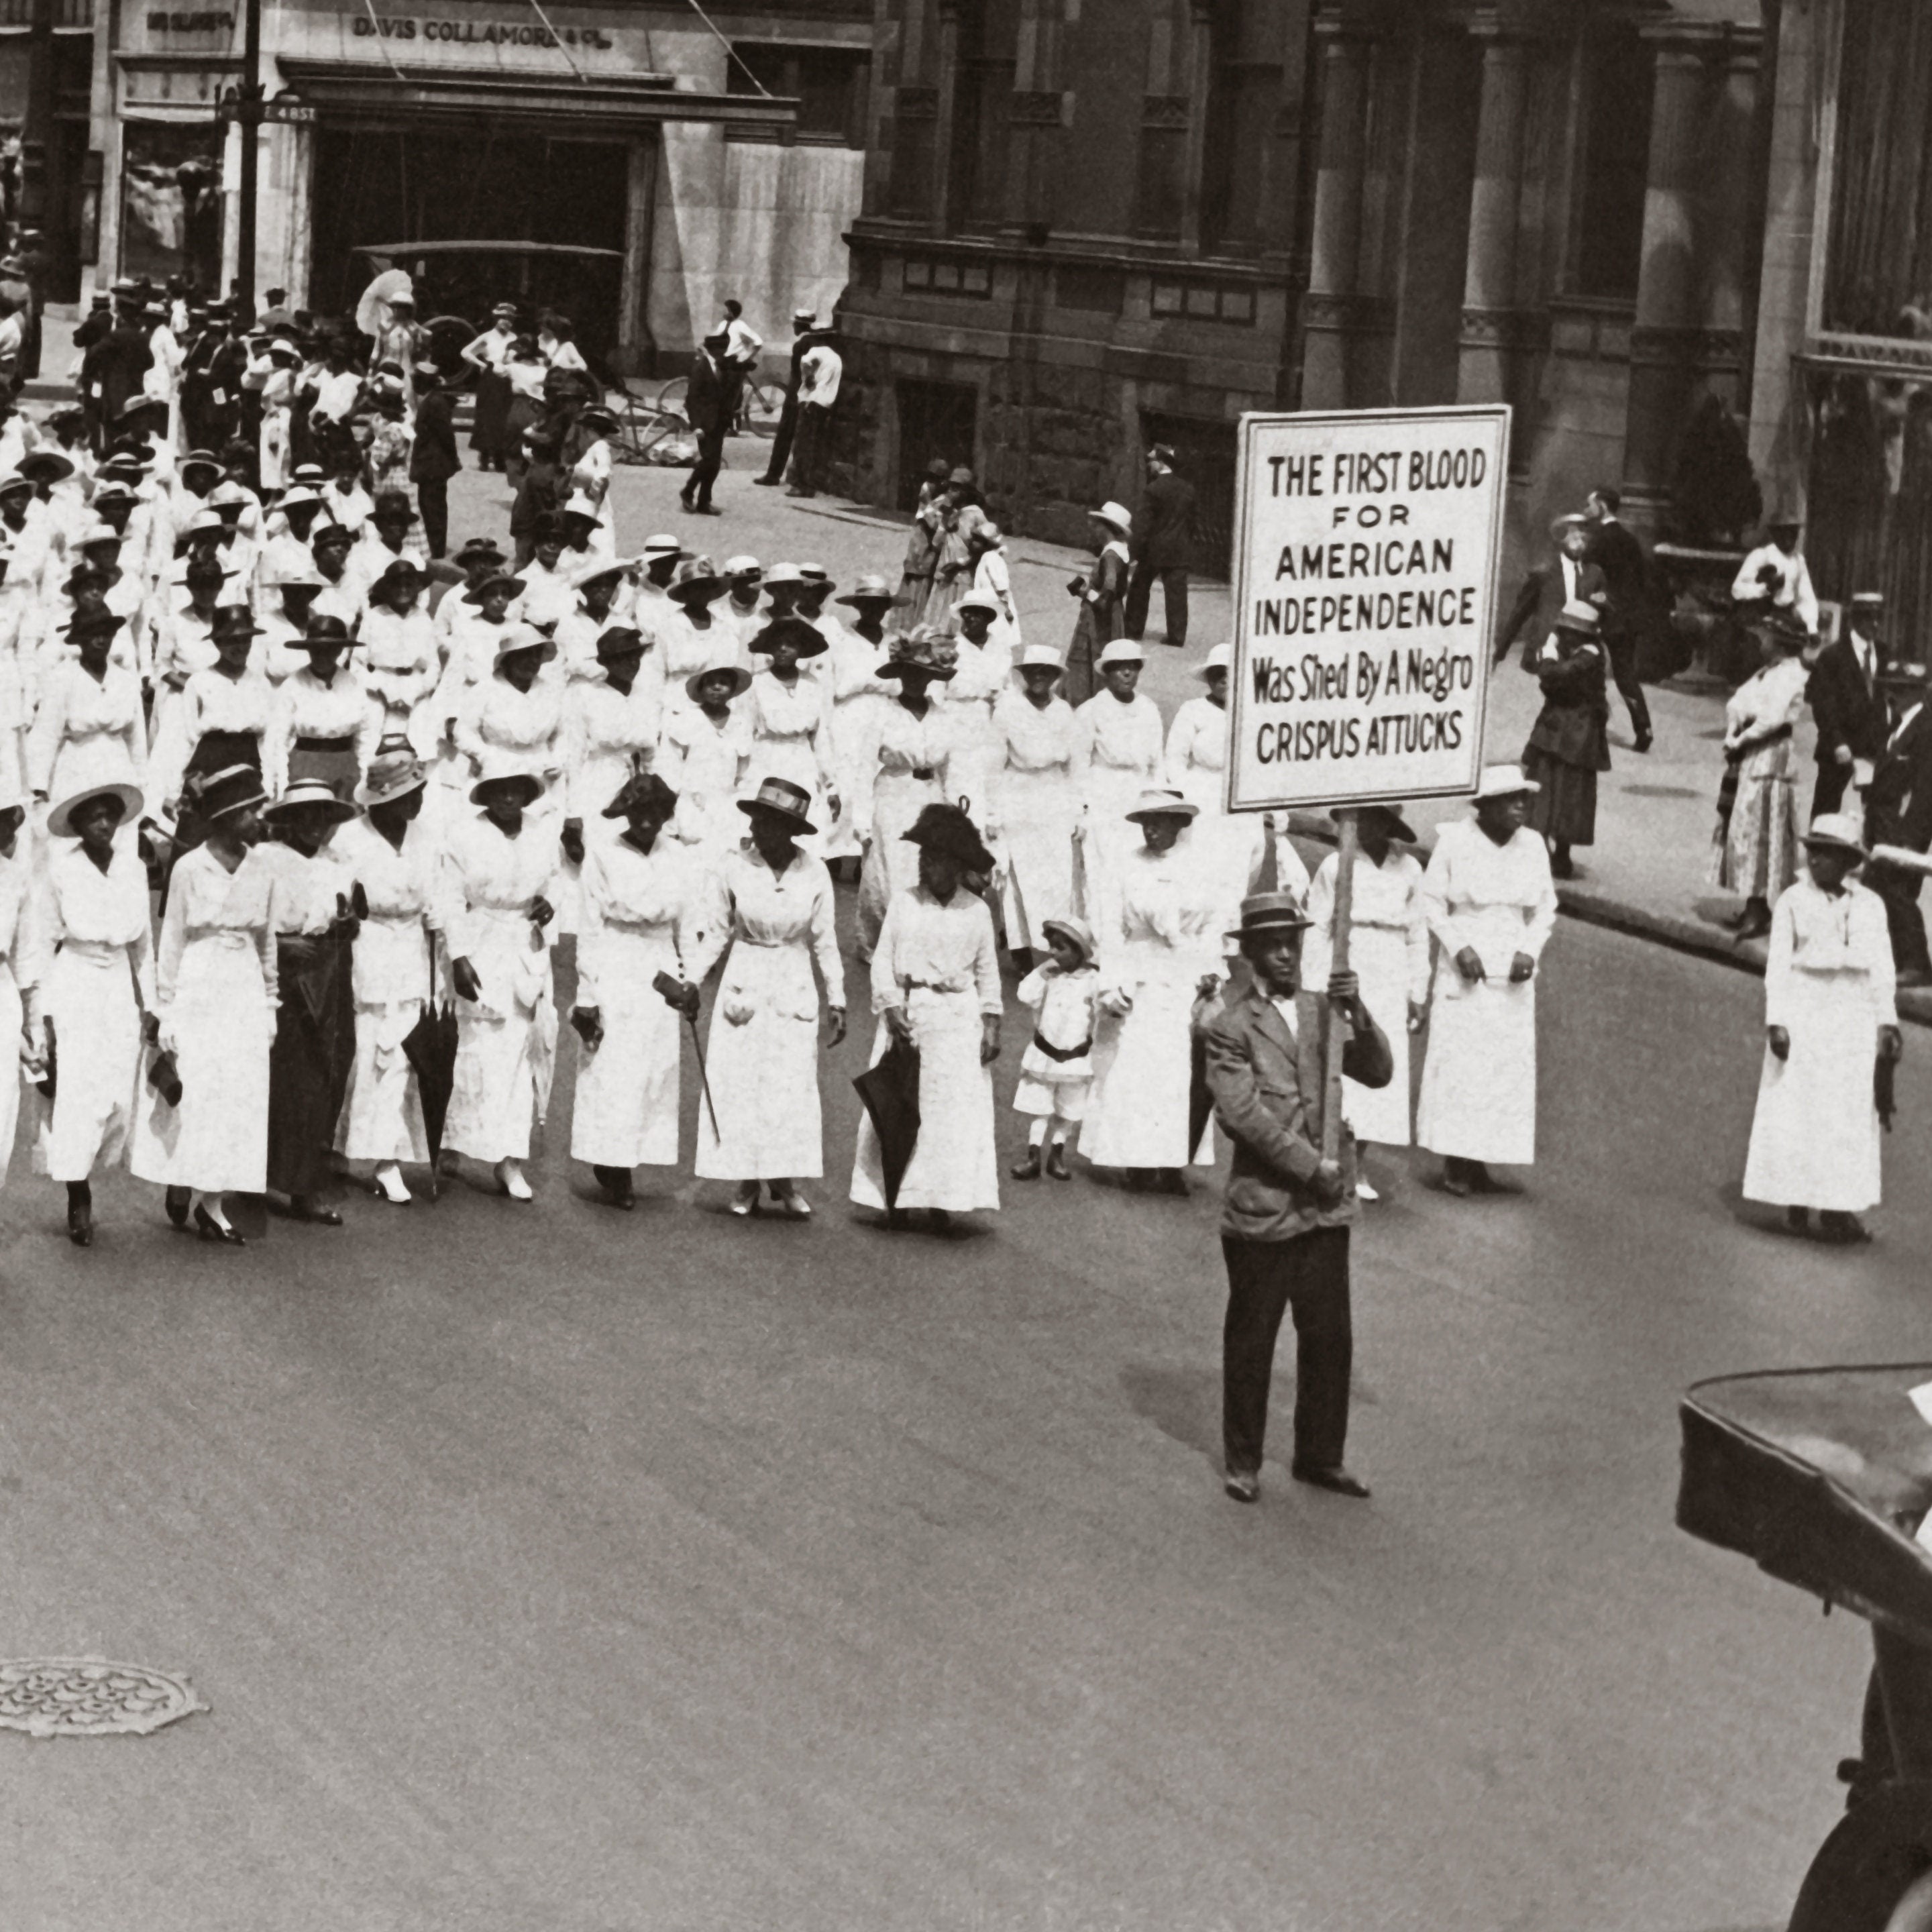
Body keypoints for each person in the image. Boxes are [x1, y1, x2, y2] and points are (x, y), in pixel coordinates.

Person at [1204, 891, 1393, 1504]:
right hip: (1265, 1207)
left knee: (1329, 1338)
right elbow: (1244, 1117)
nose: (1286, 954)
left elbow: (1378, 1070)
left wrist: (1356, 1008)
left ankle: (1320, 1455)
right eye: (1272, 944)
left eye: (1293, 941)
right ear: (1252, 952)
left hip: (1324, 1213)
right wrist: (1315, 1168)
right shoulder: (1230, 1027)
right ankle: (1242, 1461)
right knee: (1253, 1339)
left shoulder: (1322, 1010)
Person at [129, 763, 278, 1246]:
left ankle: (212, 1203)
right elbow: (171, 939)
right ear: (228, 815)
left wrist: (270, 1002)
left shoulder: (263, 867)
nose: (259, 818)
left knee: (239, 1095)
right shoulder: (190, 867)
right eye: (252, 810)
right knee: (201, 1090)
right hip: (200, 981)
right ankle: (183, 1174)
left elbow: (267, 940)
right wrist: (165, 1009)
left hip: (244, 986)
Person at [684, 776, 847, 1218]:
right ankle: (746, 1181)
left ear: (790, 829)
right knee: (741, 1082)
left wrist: (838, 998)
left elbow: (825, 938)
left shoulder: (814, 872)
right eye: (759, 820)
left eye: (773, 823)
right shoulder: (733, 866)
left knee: (790, 1084)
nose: (761, 830)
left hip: (792, 978)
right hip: (746, 974)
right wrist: (692, 981)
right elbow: (716, 931)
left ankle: (785, 1179)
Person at [1742, 813, 1900, 1244]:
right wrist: (1777, 1019)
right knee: (1800, 1105)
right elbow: (1777, 964)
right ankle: (1795, 1199)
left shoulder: (1870, 905)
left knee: (1845, 1113)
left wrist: (1887, 1021)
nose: (1816, 860)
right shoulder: (1794, 899)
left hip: (1852, 1014)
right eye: (1812, 851)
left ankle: (1837, 1206)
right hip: (1806, 1006)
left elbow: (1882, 967)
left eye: (1827, 853)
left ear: (1849, 860)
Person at [851, 802, 1002, 1231]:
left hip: (957, 1018)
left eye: (935, 860)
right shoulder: (904, 904)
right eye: (923, 857)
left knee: (949, 1114)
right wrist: (892, 1006)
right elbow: (883, 962)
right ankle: (894, 1196)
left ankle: (941, 1199)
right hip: (911, 1014)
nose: (926, 866)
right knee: (899, 1105)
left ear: (956, 866)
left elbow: (988, 973)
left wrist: (992, 1023)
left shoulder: (976, 911)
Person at [1415, 766, 1558, 1196]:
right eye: (1510, 799)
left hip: (1511, 970)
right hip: (1467, 968)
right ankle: (1455, 1162)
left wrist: (1530, 951)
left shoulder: (1532, 845)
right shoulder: (1456, 841)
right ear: (1485, 805)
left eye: (1523, 798)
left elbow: (1547, 908)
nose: (1521, 806)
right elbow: (1430, 901)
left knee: (1501, 1067)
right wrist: (1458, 946)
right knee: (1463, 1062)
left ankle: (1480, 1161)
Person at [29, 780, 154, 1246]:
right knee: (77, 1091)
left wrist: (153, 1004)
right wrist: (41, 1013)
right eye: (94, 815)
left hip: (118, 981)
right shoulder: (61, 871)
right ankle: (77, 1193)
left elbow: (144, 947)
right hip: (76, 977)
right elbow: (43, 943)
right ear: (79, 824)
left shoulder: (135, 869)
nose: (103, 823)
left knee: (119, 1093)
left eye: (110, 815)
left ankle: (89, 1167)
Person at [1081, 788, 1224, 1193]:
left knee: (1182, 1073)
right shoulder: (1124, 867)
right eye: (1146, 821)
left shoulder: (1201, 868)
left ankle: (1173, 1160)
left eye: (1160, 821)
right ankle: (1138, 1161)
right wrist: (1110, 982)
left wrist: (1212, 971)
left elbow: (1214, 925)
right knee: (1139, 1070)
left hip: (1184, 978)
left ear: (1181, 823)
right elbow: (1110, 929)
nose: (1152, 829)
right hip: (1139, 972)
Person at [570, 771, 703, 1210]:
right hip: (616, 957)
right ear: (626, 813)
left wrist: (691, 979)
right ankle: (612, 1165)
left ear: (667, 815)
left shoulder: (680, 857)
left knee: (653, 1067)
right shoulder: (603, 855)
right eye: (638, 813)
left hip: (660, 962)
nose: (647, 822)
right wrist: (587, 993)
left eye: (656, 813)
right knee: (613, 1066)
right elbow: (590, 927)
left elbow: (687, 923)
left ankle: (631, 1155)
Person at [333, 751, 446, 1205]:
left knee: (401, 1056)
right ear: (381, 801)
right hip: (366, 951)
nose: (415, 803)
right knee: (363, 1055)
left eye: (418, 793)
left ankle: (387, 1160)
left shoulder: (427, 838)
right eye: (406, 796)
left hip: (413, 954)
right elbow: (336, 897)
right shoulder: (349, 839)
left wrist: (448, 958)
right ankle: (340, 1148)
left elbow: (438, 901)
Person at [442, 761, 559, 1201]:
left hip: (525, 948)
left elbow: (556, 885)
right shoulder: (463, 835)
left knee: (520, 1054)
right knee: (471, 1051)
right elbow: (449, 895)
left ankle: (509, 1160)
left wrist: (549, 905)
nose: (508, 799)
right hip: (479, 941)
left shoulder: (542, 833)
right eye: (500, 790)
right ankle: (451, 1143)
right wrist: (457, 955)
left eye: (516, 791)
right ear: (486, 794)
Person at [1301, 806, 1429, 1199]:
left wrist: (1418, 991)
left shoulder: (1409, 870)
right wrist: (1312, 984)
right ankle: (1332, 1160)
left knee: (1379, 1065)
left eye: (1377, 820)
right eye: (1362, 819)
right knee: (1343, 1065)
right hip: (1349, 964)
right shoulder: (1335, 864)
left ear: (1390, 827)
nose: (1367, 827)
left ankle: (1359, 1168)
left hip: (1390, 969)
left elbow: (1417, 934)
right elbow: (1318, 925)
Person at [256, 777, 359, 1223]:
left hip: (328, 970)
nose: (313, 825)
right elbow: (249, 920)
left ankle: (305, 1185)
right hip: (280, 972)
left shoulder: (340, 862)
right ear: (289, 820)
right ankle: (258, 1176)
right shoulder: (265, 860)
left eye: (321, 815)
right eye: (304, 815)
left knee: (323, 1076)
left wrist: (348, 924)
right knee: (280, 1079)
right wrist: (281, 945)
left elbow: (349, 917)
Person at [857, 629, 962, 957]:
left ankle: (920, 943)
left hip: (931, 795)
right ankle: (879, 944)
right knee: (889, 871)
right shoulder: (882, 712)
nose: (916, 680)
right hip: (893, 793)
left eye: (924, 675)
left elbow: (954, 769)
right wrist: (861, 819)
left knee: (928, 869)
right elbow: (862, 767)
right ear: (901, 674)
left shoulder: (943, 717)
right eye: (911, 673)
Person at [1715, 609, 1810, 943]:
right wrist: (1732, 732)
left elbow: (1771, 718)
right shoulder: (1767, 673)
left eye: (1766, 639)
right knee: (1744, 827)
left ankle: (1762, 908)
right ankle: (1755, 904)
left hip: (1771, 757)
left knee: (1761, 831)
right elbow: (1737, 703)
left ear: (1781, 644)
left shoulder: (1791, 676)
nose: (1761, 644)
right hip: (1751, 755)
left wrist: (1739, 739)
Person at [1521, 599, 1611, 879]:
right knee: (1548, 791)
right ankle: (1546, 850)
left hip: (1576, 735)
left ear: (1581, 634)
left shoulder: (1589, 657)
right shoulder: (1579, 655)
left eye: (1567, 630)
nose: (1561, 634)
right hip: (1560, 731)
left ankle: (1560, 853)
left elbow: (1551, 677)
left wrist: (1547, 657)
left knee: (1568, 794)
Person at [1010, 915, 1099, 1181]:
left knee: (1068, 1109)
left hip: (1076, 1058)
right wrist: (1040, 971)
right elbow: (1025, 995)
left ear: (1079, 952)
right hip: (1045, 1053)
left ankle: (1057, 1155)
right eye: (1052, 946)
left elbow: (1102, 1011)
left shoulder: (1093, 979)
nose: (1053, 952)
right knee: (1040, 1106)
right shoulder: (1049, 976)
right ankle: (1033, 1155)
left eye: (1061, 948)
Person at [1863, 659, 1932, 989]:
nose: (1893, 694)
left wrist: (1912, 835)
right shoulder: (1899, 725)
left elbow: (1926, 789)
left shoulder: (1926, 729)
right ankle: (1890, 956)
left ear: (1916, 692)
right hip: (1883, 823)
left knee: (1899, 892)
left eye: (1900, 689)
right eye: (1892, 687)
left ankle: (1917, 963)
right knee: (1876, 888)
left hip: (1904, 828)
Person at [1072, 637, 1165, 877]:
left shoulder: (1149, 708)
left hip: (1138, 797)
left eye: (1132, 666)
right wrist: (1081, 813)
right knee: (1104, 871)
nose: (1127, 673)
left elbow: (1157, 762)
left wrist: (1159, 805)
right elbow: (1079, 765)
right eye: (1119, 667)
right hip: (1103, 798)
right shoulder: (1090, 710)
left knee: (1138, 868)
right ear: (1106, 672)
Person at [267, 614, 373, 800]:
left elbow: (365, 735)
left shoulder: (352, 683)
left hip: (346, 767)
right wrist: (282, 787)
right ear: (308, 649)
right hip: (306, 767)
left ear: (340, 650)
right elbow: (278, 740)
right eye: (316, 650)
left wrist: (364, 776)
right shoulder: (293, 684)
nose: (322, 656)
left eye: (330, 650)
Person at [1583, 486, 1654, 753]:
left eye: (1590, 505)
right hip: (1629, 617)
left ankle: (1593, 725)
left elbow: (1588, 579)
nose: (1587, 510)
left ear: (1602, 506)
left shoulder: (1598, 539)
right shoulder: (1630, 539)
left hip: (1603, 615)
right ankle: (1643, 727)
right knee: (1626, 675)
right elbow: (1640, 581)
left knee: (1588, 667)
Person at [1807, 590, 1888, 819]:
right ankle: (1819, 851)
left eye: (1878, 618)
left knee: (1876, 808)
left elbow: (1884, 699)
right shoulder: (1833, 656)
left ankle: (1870, 851)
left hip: (1872, 746)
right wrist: (1837, 742)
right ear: (1854, 620)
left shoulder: (1882, 653)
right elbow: (1823, 703)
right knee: (1826, 806)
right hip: (1839, 746)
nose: (1875, 624)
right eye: (1868, 618)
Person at [661, 662, 753, 861]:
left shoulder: (741, 723)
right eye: (710, 683)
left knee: (726, 856)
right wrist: (676, 806)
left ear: (733, 690)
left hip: (726, 804)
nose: (717, 687)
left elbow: (745, 773)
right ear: (701, 689)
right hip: (692, 804)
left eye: (724, 683)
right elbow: (670, 767)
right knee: (692, 857)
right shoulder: (686, 720)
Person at [1125, 445, 1195, 649]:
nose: (1149, 465)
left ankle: (1133, 628)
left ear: (1161, 463)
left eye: (1152, 461)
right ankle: (1177, 635)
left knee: (1139, 587)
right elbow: (1192, 523)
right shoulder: (1188, 489)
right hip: (1179, 549)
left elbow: (1144, 525)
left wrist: (1134, 552)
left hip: (1154, 550)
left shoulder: (1153, 489)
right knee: (1177, 593)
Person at [1066, 501, 1132, 706]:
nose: (1094, 529)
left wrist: (1085, 592)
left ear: (1107, 527)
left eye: (1098, 525)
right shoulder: (1121, 551)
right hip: (1113, 616)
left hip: (1099, 620)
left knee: (1093, 659)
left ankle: (1085, 702)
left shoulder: (1110, 555)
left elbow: (1108, 594)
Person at [755, 311, 820, 488]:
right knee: (802, 438)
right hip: (808, 394)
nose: (793, 327)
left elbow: (799, 373)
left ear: (800, 325)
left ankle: (774, 475)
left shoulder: (801, 344)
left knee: (785, 435)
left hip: (796, 394)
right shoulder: (815, 341)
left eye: (795, 324)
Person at [1731, 512, 1819, 636]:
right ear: (1774, 533)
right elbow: (1737, 590)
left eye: (1793, 532)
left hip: (1783, 619)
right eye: (1784, 532)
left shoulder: (1798, 560)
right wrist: (1766, 588)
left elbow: (1806, 596)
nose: (1789, 537)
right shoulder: (1761, 555)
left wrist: (1812, 629)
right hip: (1759, 618)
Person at [680, 330, 737, 517]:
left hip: (719, 423)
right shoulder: (701, 369)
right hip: (705, 424)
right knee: (708, 462)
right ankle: (689, 491)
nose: (723, 352)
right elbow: (692, 400)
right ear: (712, 350)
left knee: (714, 464)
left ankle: (704, 500)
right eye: (720, 349)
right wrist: (696, 425)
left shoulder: (724, 367)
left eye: (725, 348)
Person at [460, 303, 520, 472]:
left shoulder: (514, 338)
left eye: (509, 319)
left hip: (507, 377)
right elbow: (466, 352)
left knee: (504, 417)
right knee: (487, 415)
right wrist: (482, 364)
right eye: (503, 318)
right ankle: (485, 455)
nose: (506, 322)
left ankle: (500, 456)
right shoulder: (487, 337)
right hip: (491, 377)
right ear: (496, 319)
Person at [411, 364, 461, 561]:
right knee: (430, 506)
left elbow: (445, 435)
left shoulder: (435, 403)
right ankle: (434, 546)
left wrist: (453, 459)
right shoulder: (432, 399)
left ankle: (436, 550)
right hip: (431, 464)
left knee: (434, 508)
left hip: (434, 464)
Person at [788, 326, 842, 498]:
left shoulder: (818, 350)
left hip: (811, 402)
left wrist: (809, 377)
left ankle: (800, 485)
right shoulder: (836, 358)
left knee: (803, 445)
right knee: (815, 445)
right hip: (824, 405)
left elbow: (805, 361)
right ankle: (811, 484)